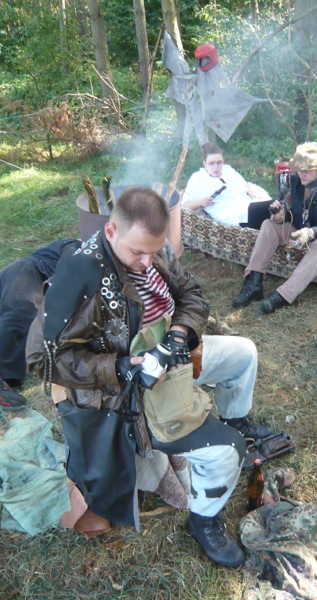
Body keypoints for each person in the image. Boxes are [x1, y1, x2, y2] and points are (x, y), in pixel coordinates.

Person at [26, 187, 272, 569]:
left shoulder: (155, 250)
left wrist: (178, 336)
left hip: (171, 354)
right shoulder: (79, 276)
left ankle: (236, 418)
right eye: (137, 252)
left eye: (154, 252)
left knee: (244, 354)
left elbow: (192, 294)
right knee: (227, 450)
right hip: (129, 389)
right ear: (111, 232)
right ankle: (204, 521)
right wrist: (120, 367)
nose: (146, 263)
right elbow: (41, 359)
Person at [232, 142, 317, 314]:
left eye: (306, 170)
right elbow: (293, 212)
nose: (301, 173)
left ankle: (284, 295)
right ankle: (253, 284)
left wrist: (310, 232)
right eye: (299, 169)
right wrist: (280, 216)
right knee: (268, 225)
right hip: (301, 228)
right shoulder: (296, 180)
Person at [0, 239, 80, 410]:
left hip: (21, 278)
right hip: (26, 273)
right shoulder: (79, 247)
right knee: (18, 314)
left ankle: (8, 382)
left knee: (17, 320)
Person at [181, 143, 253, 226]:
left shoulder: (228, 170)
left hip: (246, 205)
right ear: (205, 163)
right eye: (211, 163)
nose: (216, 167)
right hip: (229, 214)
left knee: (264, 208)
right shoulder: (197, 179)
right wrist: (200, 202)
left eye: (219, 163)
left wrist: (249, 191)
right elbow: (185, 205)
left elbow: (244, 185)